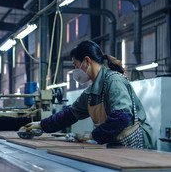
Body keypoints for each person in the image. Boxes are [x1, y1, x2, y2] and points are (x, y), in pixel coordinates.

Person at [23, 40, 153, 149]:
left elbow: (122, 117)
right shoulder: (91, 92)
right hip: (117, 144)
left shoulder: (113, 81)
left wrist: (92, 135)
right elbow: (70, 114)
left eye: (75, 65)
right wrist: (41, 125)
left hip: (135, 143)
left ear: (86, 61)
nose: (75, 71)